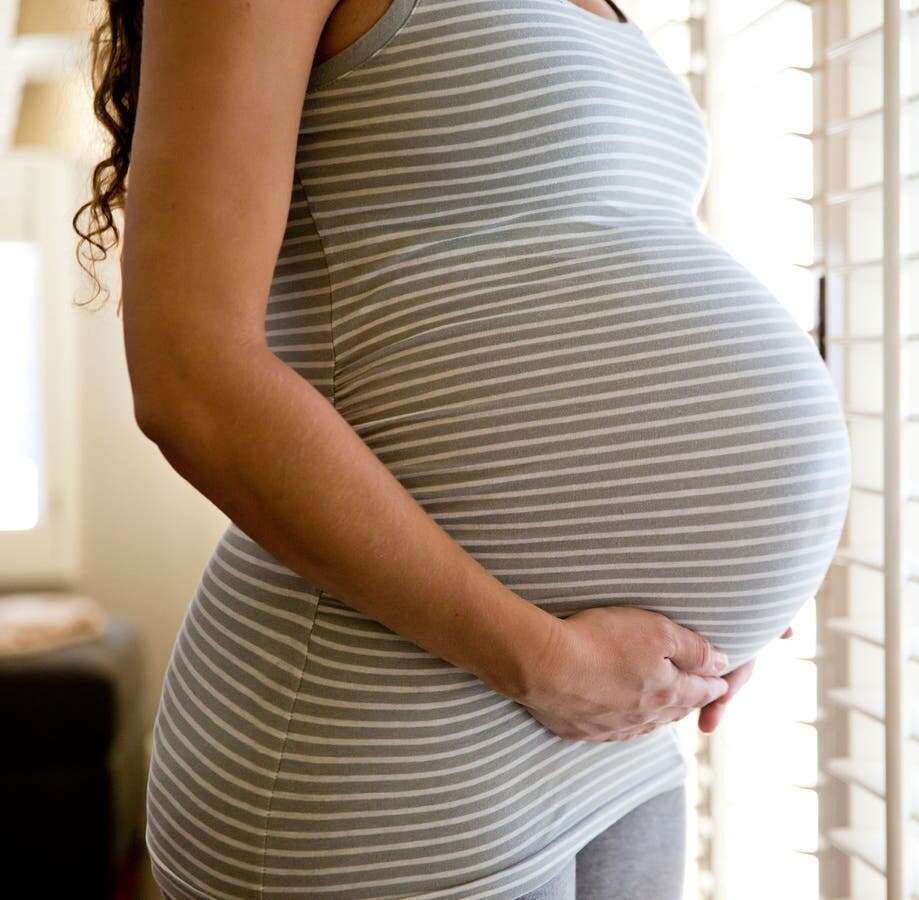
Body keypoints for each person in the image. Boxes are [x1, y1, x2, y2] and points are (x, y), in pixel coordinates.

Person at [73, 1, 851, 897]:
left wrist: (722, 587)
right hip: (392, 743)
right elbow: (190, 377)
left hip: (617, 739)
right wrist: (544, 660)